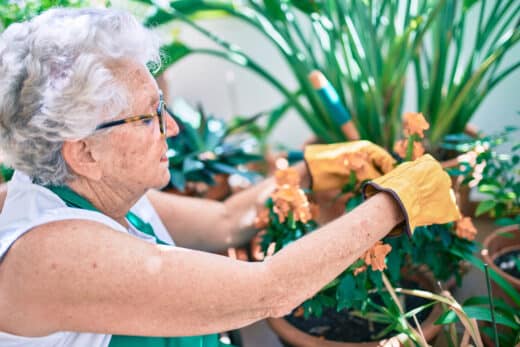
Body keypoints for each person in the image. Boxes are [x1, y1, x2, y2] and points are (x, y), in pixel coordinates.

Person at [0, 8, 460, 347]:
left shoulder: (92, 187)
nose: (172, 128)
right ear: (83, 151)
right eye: (148, 118)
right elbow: (270, 290)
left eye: (163, 107)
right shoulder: (50, 255)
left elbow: (224, 222)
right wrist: (394, 201)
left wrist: (314, 167)